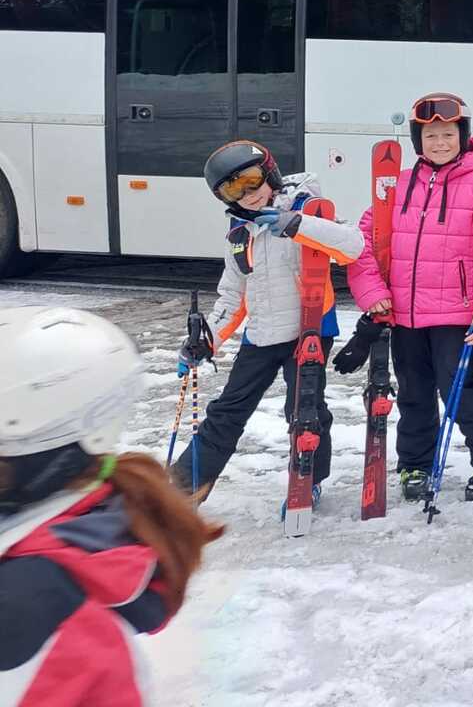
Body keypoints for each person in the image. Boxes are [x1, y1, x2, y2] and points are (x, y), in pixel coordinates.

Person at [1, 306, 225, 706]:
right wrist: (210, 336)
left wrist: (215, 340)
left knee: (230, 413)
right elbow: (232, 294)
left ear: (47, 459)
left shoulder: (32, 609)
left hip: (281, 339)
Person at [345, 92, 473, 504]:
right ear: (417, 140)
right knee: (413, 394)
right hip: (404, 314)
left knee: (460, 392)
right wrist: (373, 293)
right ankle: (415, 463)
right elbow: (361, 243)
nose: (440, 143)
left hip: (456, 314)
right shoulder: (398, 185)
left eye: (448, 134)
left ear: (463, 135)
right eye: (430, 136)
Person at [173, 140, 364, 508]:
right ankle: (187, 483)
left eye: (252, 181)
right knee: (227, 408)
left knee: (304, 409)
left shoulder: (307, 206)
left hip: (308, 331)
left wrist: (297, 226)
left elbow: (352, 246)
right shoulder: (238, 233)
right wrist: (206, 341)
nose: (248, 195)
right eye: (233, 190)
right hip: (261, 335)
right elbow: (233, 296)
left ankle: (309, 478)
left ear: (270, 174)